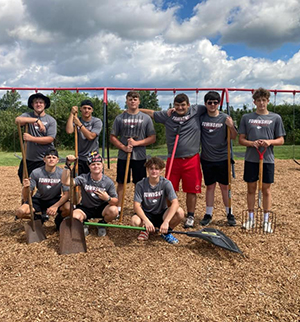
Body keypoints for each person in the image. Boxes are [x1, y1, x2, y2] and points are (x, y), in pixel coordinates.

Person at [140, 93, 206, 228]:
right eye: (177, 105)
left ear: (188, 105)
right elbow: (152, 113)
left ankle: (191, 216)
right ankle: (170, 213)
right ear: (173, 106)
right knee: (169, 188)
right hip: (173, 159)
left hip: (191, 158)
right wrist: (134, 109)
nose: (180, 108)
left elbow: (212, 108)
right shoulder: (168, 115)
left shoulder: (197, 110)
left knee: (191, 189)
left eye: (183, 105)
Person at [239, 88, 286, 233]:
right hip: (251, 159)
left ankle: (266, 220)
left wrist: (269, 142)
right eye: (258, 100)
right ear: (254, 102)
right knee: (251, 188)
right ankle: (251, 218)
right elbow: (241, 139)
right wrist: (251, 143)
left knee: (266, 189)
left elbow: (281, 140)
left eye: (264, 100)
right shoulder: (246, 118)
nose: (261, 103)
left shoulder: (275, 118)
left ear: (268, 101)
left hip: (267, 159)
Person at [110, 91, 156, 214]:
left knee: (139, 183)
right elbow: (113, 136)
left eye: (135, 99)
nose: (132, 101)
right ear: (126, 101)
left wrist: (137, 143)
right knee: (121, 182)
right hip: (123, 156)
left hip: (139, 156)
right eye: (130, 99)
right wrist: (123, 147)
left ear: (139, 101)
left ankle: (138, 207)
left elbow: (152, 137)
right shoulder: (120, 118)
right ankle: (119, 208)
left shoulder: (145, 118)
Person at [199, 91, 237, 227]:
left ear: (219, 103)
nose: (212, 105)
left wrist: (231, 126)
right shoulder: (202, 118)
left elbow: (233, 136)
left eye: (215, 102)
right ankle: (208, 213)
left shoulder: (225, 118)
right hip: (207, 158)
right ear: (205, 104)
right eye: (210, 102)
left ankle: (229, 213)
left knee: (224, 187)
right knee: (210, 187)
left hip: (223, 158)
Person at [61, 151, 118, 237]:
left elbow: (115, 201)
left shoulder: (108, 182)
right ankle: (84, 223)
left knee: (114, 210)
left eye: (98, 164)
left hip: (101, 208)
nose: (96, 166)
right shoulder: (84, 178)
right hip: (86, 207)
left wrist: (108, 198)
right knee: (75, 217)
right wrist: (67, 165)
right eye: (93, 164)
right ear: (89, 166)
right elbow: (66, 182)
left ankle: (102, 224)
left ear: (102, 165)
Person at [131, 157, 184, 244]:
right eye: (151, 168)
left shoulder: (166, 183)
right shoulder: (140, 184)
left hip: (161, 213)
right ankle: (145, 230)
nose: (154, 171)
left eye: (157, 169)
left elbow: (175, 203)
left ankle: (166, 232)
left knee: (180, 212)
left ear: (161, 170)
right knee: (134, 220)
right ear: (147, 169)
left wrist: (166, 221)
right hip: (146, 214)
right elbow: (136, 206)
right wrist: (146, 221)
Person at [15, 148, 70, 225]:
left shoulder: (62, 173)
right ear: (44, 159)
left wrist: (55, 206)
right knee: (20, 212)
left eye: (54, 158)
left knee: (69, 208)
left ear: (57, 160)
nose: (51, 159)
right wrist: (25, 187)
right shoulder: (36, 172)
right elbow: (26, 197)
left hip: (54, 199)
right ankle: (39, 218)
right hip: (39, 199)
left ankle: (59, 220)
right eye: (48, 157)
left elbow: (66, 194)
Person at [15, 93, 57, 183]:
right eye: (36, 102)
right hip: (29, 158)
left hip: (44, 159)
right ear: (32, 104)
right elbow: (17, 120)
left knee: (43, 184)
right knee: (24, 180)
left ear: (45, 105)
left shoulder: (51, 120)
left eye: (41, 102)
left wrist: (31, 138)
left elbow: (50, 139)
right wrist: (36, 120)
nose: (38, 104)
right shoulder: (27, 115)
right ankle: (27, 197)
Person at [66, 99, 102, 174]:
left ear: (92, 110)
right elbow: (69, 131)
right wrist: (72, 114)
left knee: (94, 181)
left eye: (89, 108)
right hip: (79, 157)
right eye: (84, 108)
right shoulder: (77, 119)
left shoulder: (97, 121)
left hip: (93, 158)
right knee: (75, 181)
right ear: (80, 109)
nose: (86, 110)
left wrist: (79, 124)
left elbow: (91, 137)